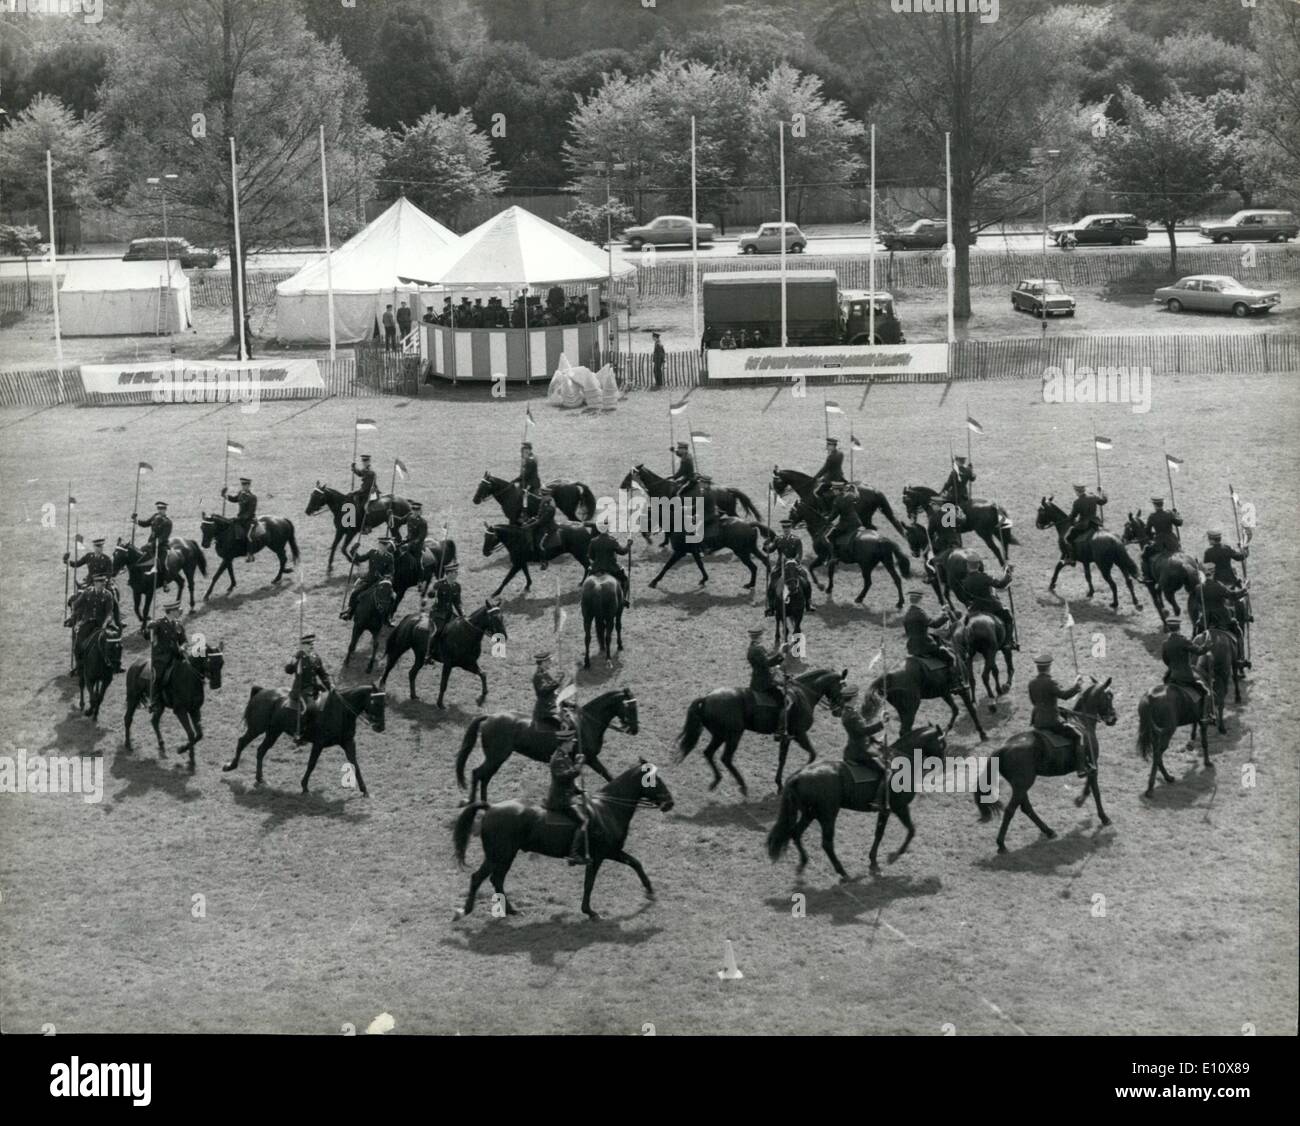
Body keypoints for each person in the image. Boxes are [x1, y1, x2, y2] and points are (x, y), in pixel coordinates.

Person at [1028, 653, 1087, 775]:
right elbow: (1065, 696)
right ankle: (1081, 768)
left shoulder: (1032, 683)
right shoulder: (1051, 682)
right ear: (1049, 667)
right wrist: (1077, 686)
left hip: (1037, 722)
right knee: (1079, 735)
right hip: (1052, 722)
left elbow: (1034, 702)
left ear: (1038, 668)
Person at [901, 589, 962, 686]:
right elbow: (935, 624)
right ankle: (954, 682)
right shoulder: (920, 613)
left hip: (911, 647)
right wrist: (945, 614)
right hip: (925, 645)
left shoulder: (906, 614)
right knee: (950, 657)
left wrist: (941, 612)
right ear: (920, 600)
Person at [546, 733, 590, 866]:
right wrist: (578, 766)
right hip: (560, 800)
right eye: (571, 742)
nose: (573, 744)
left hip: (566, 795)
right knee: (584, 821)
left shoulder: (564, 756)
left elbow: (567, 781)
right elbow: (563, 777)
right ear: (565, 743)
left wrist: (578, 791)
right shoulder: (558, 758)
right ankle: (574, 854)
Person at [1161, 620, 1213, 725]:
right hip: (1186, 676)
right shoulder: (1183, 641)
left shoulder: (1165, 643)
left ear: (1169, 629)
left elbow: (1165, 659)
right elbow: (1199, 651)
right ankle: (1204, 716)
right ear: (1179, 629)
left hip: (1171, 676)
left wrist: (1173, 667)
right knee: (1206, 692)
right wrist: (1207, 645)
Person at [65, 536, 123, 629]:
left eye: (100, 547)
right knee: (76, 597)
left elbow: (109, 573)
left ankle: (117, 621)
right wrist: (67, 561)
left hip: (103, 583)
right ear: (94, 547)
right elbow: (77, 564)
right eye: (97, 547)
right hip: (89, 582)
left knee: (113, 598)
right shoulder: (89, 556)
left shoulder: (107, 559)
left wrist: (104, 582)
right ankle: (73, 618)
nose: (99, 549)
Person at [69, 574, 119, 677]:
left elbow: (109, 612)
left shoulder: (108, 595)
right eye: (101, 583)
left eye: (104, 583)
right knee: (78, 644)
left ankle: (116, 664)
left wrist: (105, 623)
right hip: (88, 622)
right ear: (95, 583)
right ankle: (79, 666)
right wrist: (75, 615)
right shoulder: (87, 593)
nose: (103, 585)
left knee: (116, 640)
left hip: (101, 623)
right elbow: (76, 604)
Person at [285, 634, 332, 745]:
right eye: (309, 644)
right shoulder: (298, 657)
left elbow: (322, 674)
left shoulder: (315, 657)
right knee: (310, 708)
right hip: (301, 690)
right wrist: (294, 660)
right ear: (302, 646)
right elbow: (288, 671)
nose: (312, 646)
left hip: (314, 689)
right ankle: (300, 734)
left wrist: (330, 686)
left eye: (312, 643)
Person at [747, 626, 790, 741]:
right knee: (785, 702)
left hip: (762, 678)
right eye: (762, 635)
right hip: (763, 682)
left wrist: (780, 654)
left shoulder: (756, 648)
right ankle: (780, 731)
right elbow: (767, 662)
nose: (763, 637)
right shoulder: (756, 650)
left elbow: (767, 659)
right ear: (759, 636)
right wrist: (780, 652)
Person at [960, 559, 1016, 647]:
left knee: (964, 623)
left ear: (967, 567)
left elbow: (966, 598)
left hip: (975, 608)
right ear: (978, 566)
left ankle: (963, 642)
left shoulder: (965, 581)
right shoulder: (985, 577)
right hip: (991, 606)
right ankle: (1008, 642)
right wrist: (1008, 573)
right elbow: (1001, 585)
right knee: (1008, 617)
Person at [144, 600, 187, 713]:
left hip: (176, 655)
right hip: (161, 658)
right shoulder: (158, 624)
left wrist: (183, 647)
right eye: (177, 610)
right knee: (158, 676)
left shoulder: (178, 624)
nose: (179, 611)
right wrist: (149, 628)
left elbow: (184, 641)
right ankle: (154, 701)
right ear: (171, 611)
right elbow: (147, 636)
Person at [341, 536, 395, 621]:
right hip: (369, 581)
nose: (384, 547)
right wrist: (353, 550)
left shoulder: (389, 557)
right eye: (382, 545)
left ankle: (388, 617)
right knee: (355, 593)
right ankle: (349, 612)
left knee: (392, 597)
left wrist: (385, 577)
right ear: (379, 545)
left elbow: (391, 571)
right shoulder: (372, 553)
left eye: (386, 545)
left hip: (381, 583)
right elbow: (359, 558)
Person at [840, 685, 890, 775]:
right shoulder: (851, 716)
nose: (858, 698)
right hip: (860, 752)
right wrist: (882, 723)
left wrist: (875, 740)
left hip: (859, 747)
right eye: (856, 696)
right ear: (852, 698)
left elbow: (859, 731)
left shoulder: (850, 712)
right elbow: (863, 731)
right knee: (886, 772)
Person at [1197, 572, 1249, 655]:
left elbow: (1199, 603)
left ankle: (1193, 658)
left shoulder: (1199, 588)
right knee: (1238, 632)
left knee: (1196, 635)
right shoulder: (1218, 586)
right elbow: (1232, 596)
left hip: (1205, 620)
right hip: (1222, 619)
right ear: (1213, 573)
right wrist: (1244, 589)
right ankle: (1240, 657)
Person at [586, 518, 632, 607]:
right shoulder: (612, 541)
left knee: (588, 581)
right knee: (625, 580)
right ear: (608, 528)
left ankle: (585, 600)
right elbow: (623, 552)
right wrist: (628, 544)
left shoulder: (593, 541)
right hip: (612, 569)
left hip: (596, 568)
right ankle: (623, 600)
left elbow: (590, 556)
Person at [424, 560, 464, 660]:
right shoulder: (439, 584)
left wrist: (462, 615)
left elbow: (457, 602)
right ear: (449, 574)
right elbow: (430, 595)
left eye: (457, 572)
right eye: (455, 572)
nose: (457, 574)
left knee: (459, 630)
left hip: (449, 613)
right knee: (437, 631)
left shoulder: (457, 586)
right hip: (437, 613)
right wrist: (433, 591)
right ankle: (427, 654)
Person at [1063, 482, 1107, 563]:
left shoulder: (1077, 502)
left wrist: (1069, 519)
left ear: (1077, 491)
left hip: (1083, 525)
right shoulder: (1093, 496)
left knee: (1067, 538)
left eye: (1075, 491)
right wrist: (1101, 491)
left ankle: (1071, 558)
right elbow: (1103, 501)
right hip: (1095, 523)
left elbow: (1073, 516)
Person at [1142, 496, 1182, 581]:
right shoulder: (1169, 513)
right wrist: (1176, 514)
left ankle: (1147, 576)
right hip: (1172, 541)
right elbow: (1179, 523)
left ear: (1154, 505)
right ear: (1162, 504)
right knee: (1181, 552)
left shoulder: (1152, 516)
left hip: (1159, 542)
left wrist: (1152, 536)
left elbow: (1147, 531)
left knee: (1145, 554)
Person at [220, 476, 259, 562]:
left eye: (245, 484)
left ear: (249, 485)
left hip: (249, 520)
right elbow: (234, 499)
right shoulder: (241, 493)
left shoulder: (252, 497)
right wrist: (225, 495)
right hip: (240, 519)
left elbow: (250, 512)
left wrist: (239, 519)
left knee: (249, 535)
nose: (244, 486)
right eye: (242, 484)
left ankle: (250, 554)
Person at [133, 500, 173, 576]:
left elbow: (164, 536)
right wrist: (136, 520)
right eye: (158, 509)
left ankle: (164, 580)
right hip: (151, 544)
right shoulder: (155, 517)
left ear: (165, 510)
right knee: (140, 555)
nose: (160, 511)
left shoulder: (168, 522)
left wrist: (156, 542)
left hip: (161, 545)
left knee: (162, 563)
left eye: (162, 509)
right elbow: (145, 523)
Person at [521, 485, 558, 565]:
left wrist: (529, 525)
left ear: (545, 494)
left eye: (542, 493)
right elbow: (538, 500)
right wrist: (529, 521)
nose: (540, 495)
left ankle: (544, 561)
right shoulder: (546, 500)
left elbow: (541, 521)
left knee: (540, 544)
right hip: (541, 522)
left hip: (547, 526)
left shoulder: (549, 506)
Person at [827, 480, 864, 557]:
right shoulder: (850, 495)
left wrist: (827, 519)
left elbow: (834, 515)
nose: (833, 491)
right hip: (856, 522)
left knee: (829, 536)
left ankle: (834, 556)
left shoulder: (837, 500)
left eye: (834, 490)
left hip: (845, 524)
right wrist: (854, 488)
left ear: (838, 490)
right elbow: (857, 497)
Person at [811, 437, 845, 501]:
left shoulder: (831, 457)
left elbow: (824, 469)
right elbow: (833, 467)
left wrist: (815, 478)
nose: (827, 446)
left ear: (833, 446)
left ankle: (824, 510)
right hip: (840, 476)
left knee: (817, 493)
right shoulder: (840, 453)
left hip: (832, 479)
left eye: (828, 445)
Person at [515, 441, 541, 521]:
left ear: (529, 450)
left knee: (524, 496)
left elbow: (527, 475)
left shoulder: (530, 461)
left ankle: (525, 514)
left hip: (532, 483)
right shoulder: (528, 459)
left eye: (525, 451)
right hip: (527, 481)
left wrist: (518, 480)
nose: (523, 453)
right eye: (523, 451)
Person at [351, 454, 378, 525]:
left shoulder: (370, 472)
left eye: (365, 461)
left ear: (369, 461)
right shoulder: (365, 469)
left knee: (365, 506)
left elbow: (366, 487)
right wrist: (354, 468)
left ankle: (368, 525)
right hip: (365, 491)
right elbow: (360, 473)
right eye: (363, 461)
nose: (364, 462)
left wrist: (357, 491)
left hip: (371, 492)